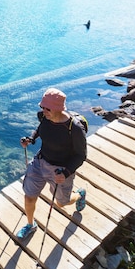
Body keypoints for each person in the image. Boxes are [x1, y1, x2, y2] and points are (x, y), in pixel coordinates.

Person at [16, 88, 88, 239]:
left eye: (47, 108)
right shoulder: (44, 117)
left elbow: (81, 155)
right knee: (29, 196)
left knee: (62, 203)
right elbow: (41, 129)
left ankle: (79, 195)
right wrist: (31, 139)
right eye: (42, 107)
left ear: (58, 108)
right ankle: (30, 225)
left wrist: (66, 173)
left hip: (61, 170)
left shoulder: (74, 128)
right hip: (40, 162)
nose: (43, 111)